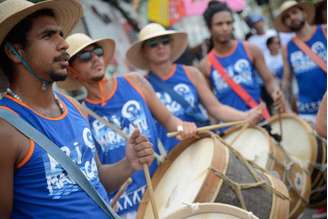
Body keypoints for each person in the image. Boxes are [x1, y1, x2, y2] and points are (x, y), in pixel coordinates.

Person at [0, 0, 154, 218]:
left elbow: (96, 178)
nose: (63, 44)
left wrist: (129, 163)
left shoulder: (72, 107)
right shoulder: (5, 129)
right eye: (48, 35)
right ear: (15, 52)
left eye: (61, 34)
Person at [61, 33, 197, 218]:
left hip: (161, 189)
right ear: (72, 71)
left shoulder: (135, 82)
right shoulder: (80, 114)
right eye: (85, 57)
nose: (95, 59)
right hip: (125, 207)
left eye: (98, 52)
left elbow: (169, 121)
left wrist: (183, 128)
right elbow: (98, 173)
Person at [126, 22, 264, 150]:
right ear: (143, 51)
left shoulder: (190, 73)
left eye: (165, 41)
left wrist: (245, 115)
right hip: (174, 156)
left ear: (171, 45)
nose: (160, 46)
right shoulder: (142, 86)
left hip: (205, 144)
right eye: (153, 43)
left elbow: (215, 108)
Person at [198, 1, 286, 120]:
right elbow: (211, 104)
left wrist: (276, 92)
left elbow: (269, 80)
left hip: (259, 121)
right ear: (209, 28)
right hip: (231, 129)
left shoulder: (250, 49)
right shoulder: (205, 65)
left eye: (229, 23)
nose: (225, 28)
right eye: (219, 24)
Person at [274, 0, 327, 123]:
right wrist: (283, 99)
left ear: (303, 13)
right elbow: (287, 79)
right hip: (308, 111)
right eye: (287, 17)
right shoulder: (287, 47)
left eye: (294, 12)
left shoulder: (324, 31)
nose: (292, 17)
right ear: (285, 23)